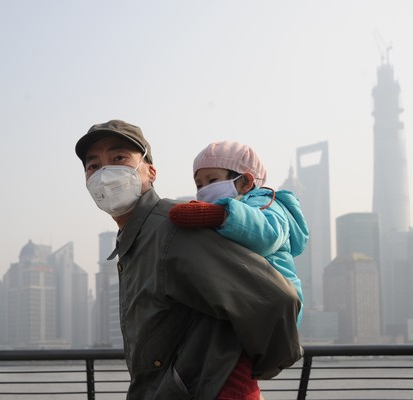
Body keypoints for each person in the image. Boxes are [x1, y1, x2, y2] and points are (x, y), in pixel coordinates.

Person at [75, 119, 302, 400]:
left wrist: (250, 370)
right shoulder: (136, 240)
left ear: (150, 171)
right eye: (93, 166)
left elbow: (278, 298)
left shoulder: (172, 227)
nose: (105, 172)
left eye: (119, 158)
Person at [168, 140, 309, 400]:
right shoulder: (238, 206)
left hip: (264, 305)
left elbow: (267, 235)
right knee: (229, 373)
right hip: (246, 304)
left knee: (233, 379)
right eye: (199, 184)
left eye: (212, 180)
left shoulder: (267, 203)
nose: (203, 190)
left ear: (245, 182)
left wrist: (220, 215)